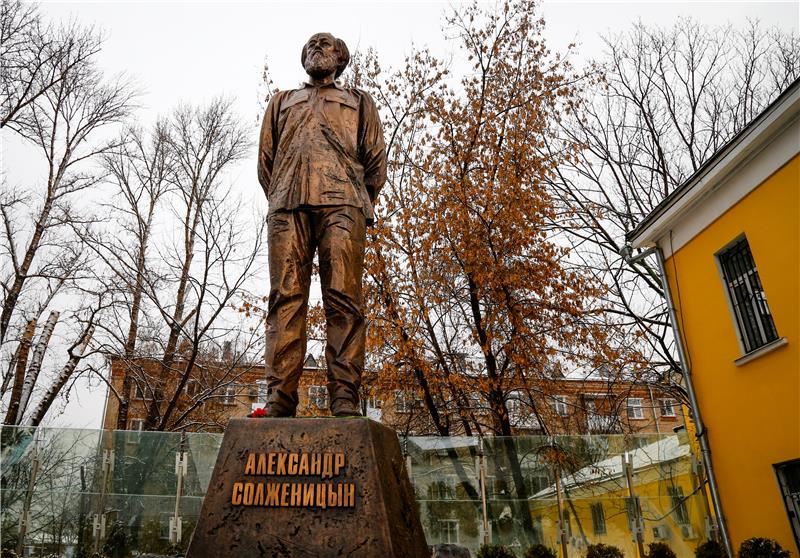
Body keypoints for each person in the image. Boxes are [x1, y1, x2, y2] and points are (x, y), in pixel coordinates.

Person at [257, 32, 387, 417]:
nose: (317, 48)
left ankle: (344, 394)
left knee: (343, 298)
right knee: (285, 298)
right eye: (311, 45)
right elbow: (266, 161)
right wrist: (283, 191)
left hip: (343, 206)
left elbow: (375, 162)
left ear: (341, 58)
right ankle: (280, 396)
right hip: (287, 204)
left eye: (325, 44)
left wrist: (350, 197)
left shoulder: (359, 102)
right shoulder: (282, 101)